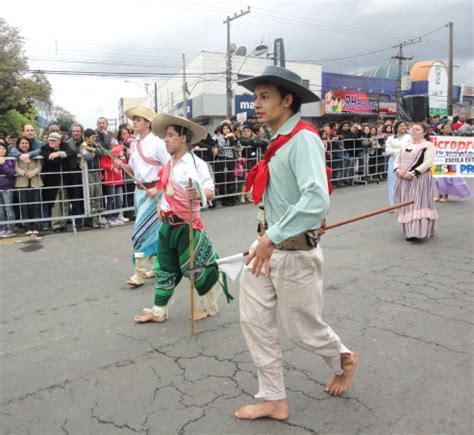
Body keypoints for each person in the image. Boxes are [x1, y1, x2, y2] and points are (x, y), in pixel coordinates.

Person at [234, 65, 358, 421]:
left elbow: (316, 200)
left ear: (287, 100)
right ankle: (273, 397)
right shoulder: (278, 140)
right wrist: (263, 239)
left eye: (264, 97)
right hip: (268, 249)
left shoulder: (303, 138)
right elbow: (288, 201)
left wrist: (272, 237)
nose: (256, 104)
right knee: (254, 321)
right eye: (255, 97)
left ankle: (343, 359)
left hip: (295, 254)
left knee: (305, 332)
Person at [133, 113, 231, 323]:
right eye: (165, 136)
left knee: (196, 269)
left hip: (187, 226)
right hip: (167, 227)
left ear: (183, 138)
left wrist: (199, 194)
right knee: (163, 269)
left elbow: (210, 190)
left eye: (170, 135)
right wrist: (161, 205)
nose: (165, 140)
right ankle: (159, 311)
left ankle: (207, 306)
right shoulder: (168, 164)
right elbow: (166, 191)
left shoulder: (196, 165)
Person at [119, 107, 170, 287]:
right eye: (134, 119)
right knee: (152, 231)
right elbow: (134, 169)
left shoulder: (158, 143)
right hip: (139, 192)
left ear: (148, 123)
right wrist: (123, 166)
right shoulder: (134, 144)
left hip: (154, 193)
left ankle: (138, 274)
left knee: (140, 231)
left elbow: (169, 167)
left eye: (138, 119)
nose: (134, 122)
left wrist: (157, 187)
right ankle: (157, 265)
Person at [394, 123, 438, 241]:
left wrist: (413, 173)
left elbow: (427, 163)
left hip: (420, 179)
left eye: (417, 130)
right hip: (403, 178)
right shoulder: (405, 144)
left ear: (424, 132)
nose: (414, 131)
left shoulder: (428, 145)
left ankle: (418, 231)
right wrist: (397, 170)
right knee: (406, 204)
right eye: (412, 129)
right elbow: (397, 159)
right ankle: (409, 230)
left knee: (418, 203)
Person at [40, 132, 77, 232]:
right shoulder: (45, 148)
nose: (51, 142)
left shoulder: (65, 145)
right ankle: (56, 225)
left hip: (65, 179)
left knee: (65, 201)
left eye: (54, 140)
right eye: (50, 140)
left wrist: (59, 153)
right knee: (55, 203)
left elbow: (74, 153)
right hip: (52, 180)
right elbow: (51, 160)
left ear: (59, 141)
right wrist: (63, 156)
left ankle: (63, 223)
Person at [433, 124, 472, 202]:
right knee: (438, 180)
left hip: (450, 161)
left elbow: (462, 148)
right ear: (441, 130)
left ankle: (445, 196)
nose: (448, 129)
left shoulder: (454, 138)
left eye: (449, 127)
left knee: (447, 179)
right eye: (446, 127)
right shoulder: (436, 138)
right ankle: (439, 195)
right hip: (439, 161)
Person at [14, 136, 43, 236]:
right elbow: (16, 167)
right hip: (22, 182)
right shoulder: (16, 155)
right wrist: (25, 173)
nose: (24, 145)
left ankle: (35, 225)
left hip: (35, 181)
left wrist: (33, 172)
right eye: (22, 143)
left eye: (26, 143)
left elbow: (39, 166)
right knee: (24, 205)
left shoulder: (35, 153)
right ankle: (27, 227)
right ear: (18, 144)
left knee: (35, 204)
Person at [81, 129, 106, 228]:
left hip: (96, 171)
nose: (94, 139)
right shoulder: (83, 145)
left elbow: (103, 151)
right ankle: (92, 214)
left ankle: (98, 211)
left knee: (98, 190)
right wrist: (95, 153)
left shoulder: (95, 144)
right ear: (87, 138)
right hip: (89, 172)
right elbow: (87, 157)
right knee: (91, 191)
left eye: (95, 137)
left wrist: (94, 150)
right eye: (92, 137)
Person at [385, 121, 411, 206]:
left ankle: (404, 203)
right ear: (396, 128)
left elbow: (409, 149)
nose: (403, 127)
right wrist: (399, 151)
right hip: (393, 161)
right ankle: (393, 204)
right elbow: (387, 151)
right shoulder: (391, 138)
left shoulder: (409, 137)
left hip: (406, 161)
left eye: (404, 126)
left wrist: (395, 151)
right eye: (401, 126)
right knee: (392, 182)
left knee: (404, 182)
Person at [100, 144, 125, 226]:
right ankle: (109, 217)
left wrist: (122, 159)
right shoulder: (105, 156)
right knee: (111, 200)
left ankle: (116, 216)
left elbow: (124, 164)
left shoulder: (119, 156)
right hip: (110, 181)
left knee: (120, 200)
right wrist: (112, 167)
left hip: (119, 180)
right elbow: (102, 164)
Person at [0, 142, 16, 237]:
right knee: (0, 210)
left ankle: (11, 228)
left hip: (7, 188)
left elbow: (11, 173)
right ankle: (2, 228)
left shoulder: (9, 160)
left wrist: (3, 164)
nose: (1, 151)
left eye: (3, 149)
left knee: (8, 208)